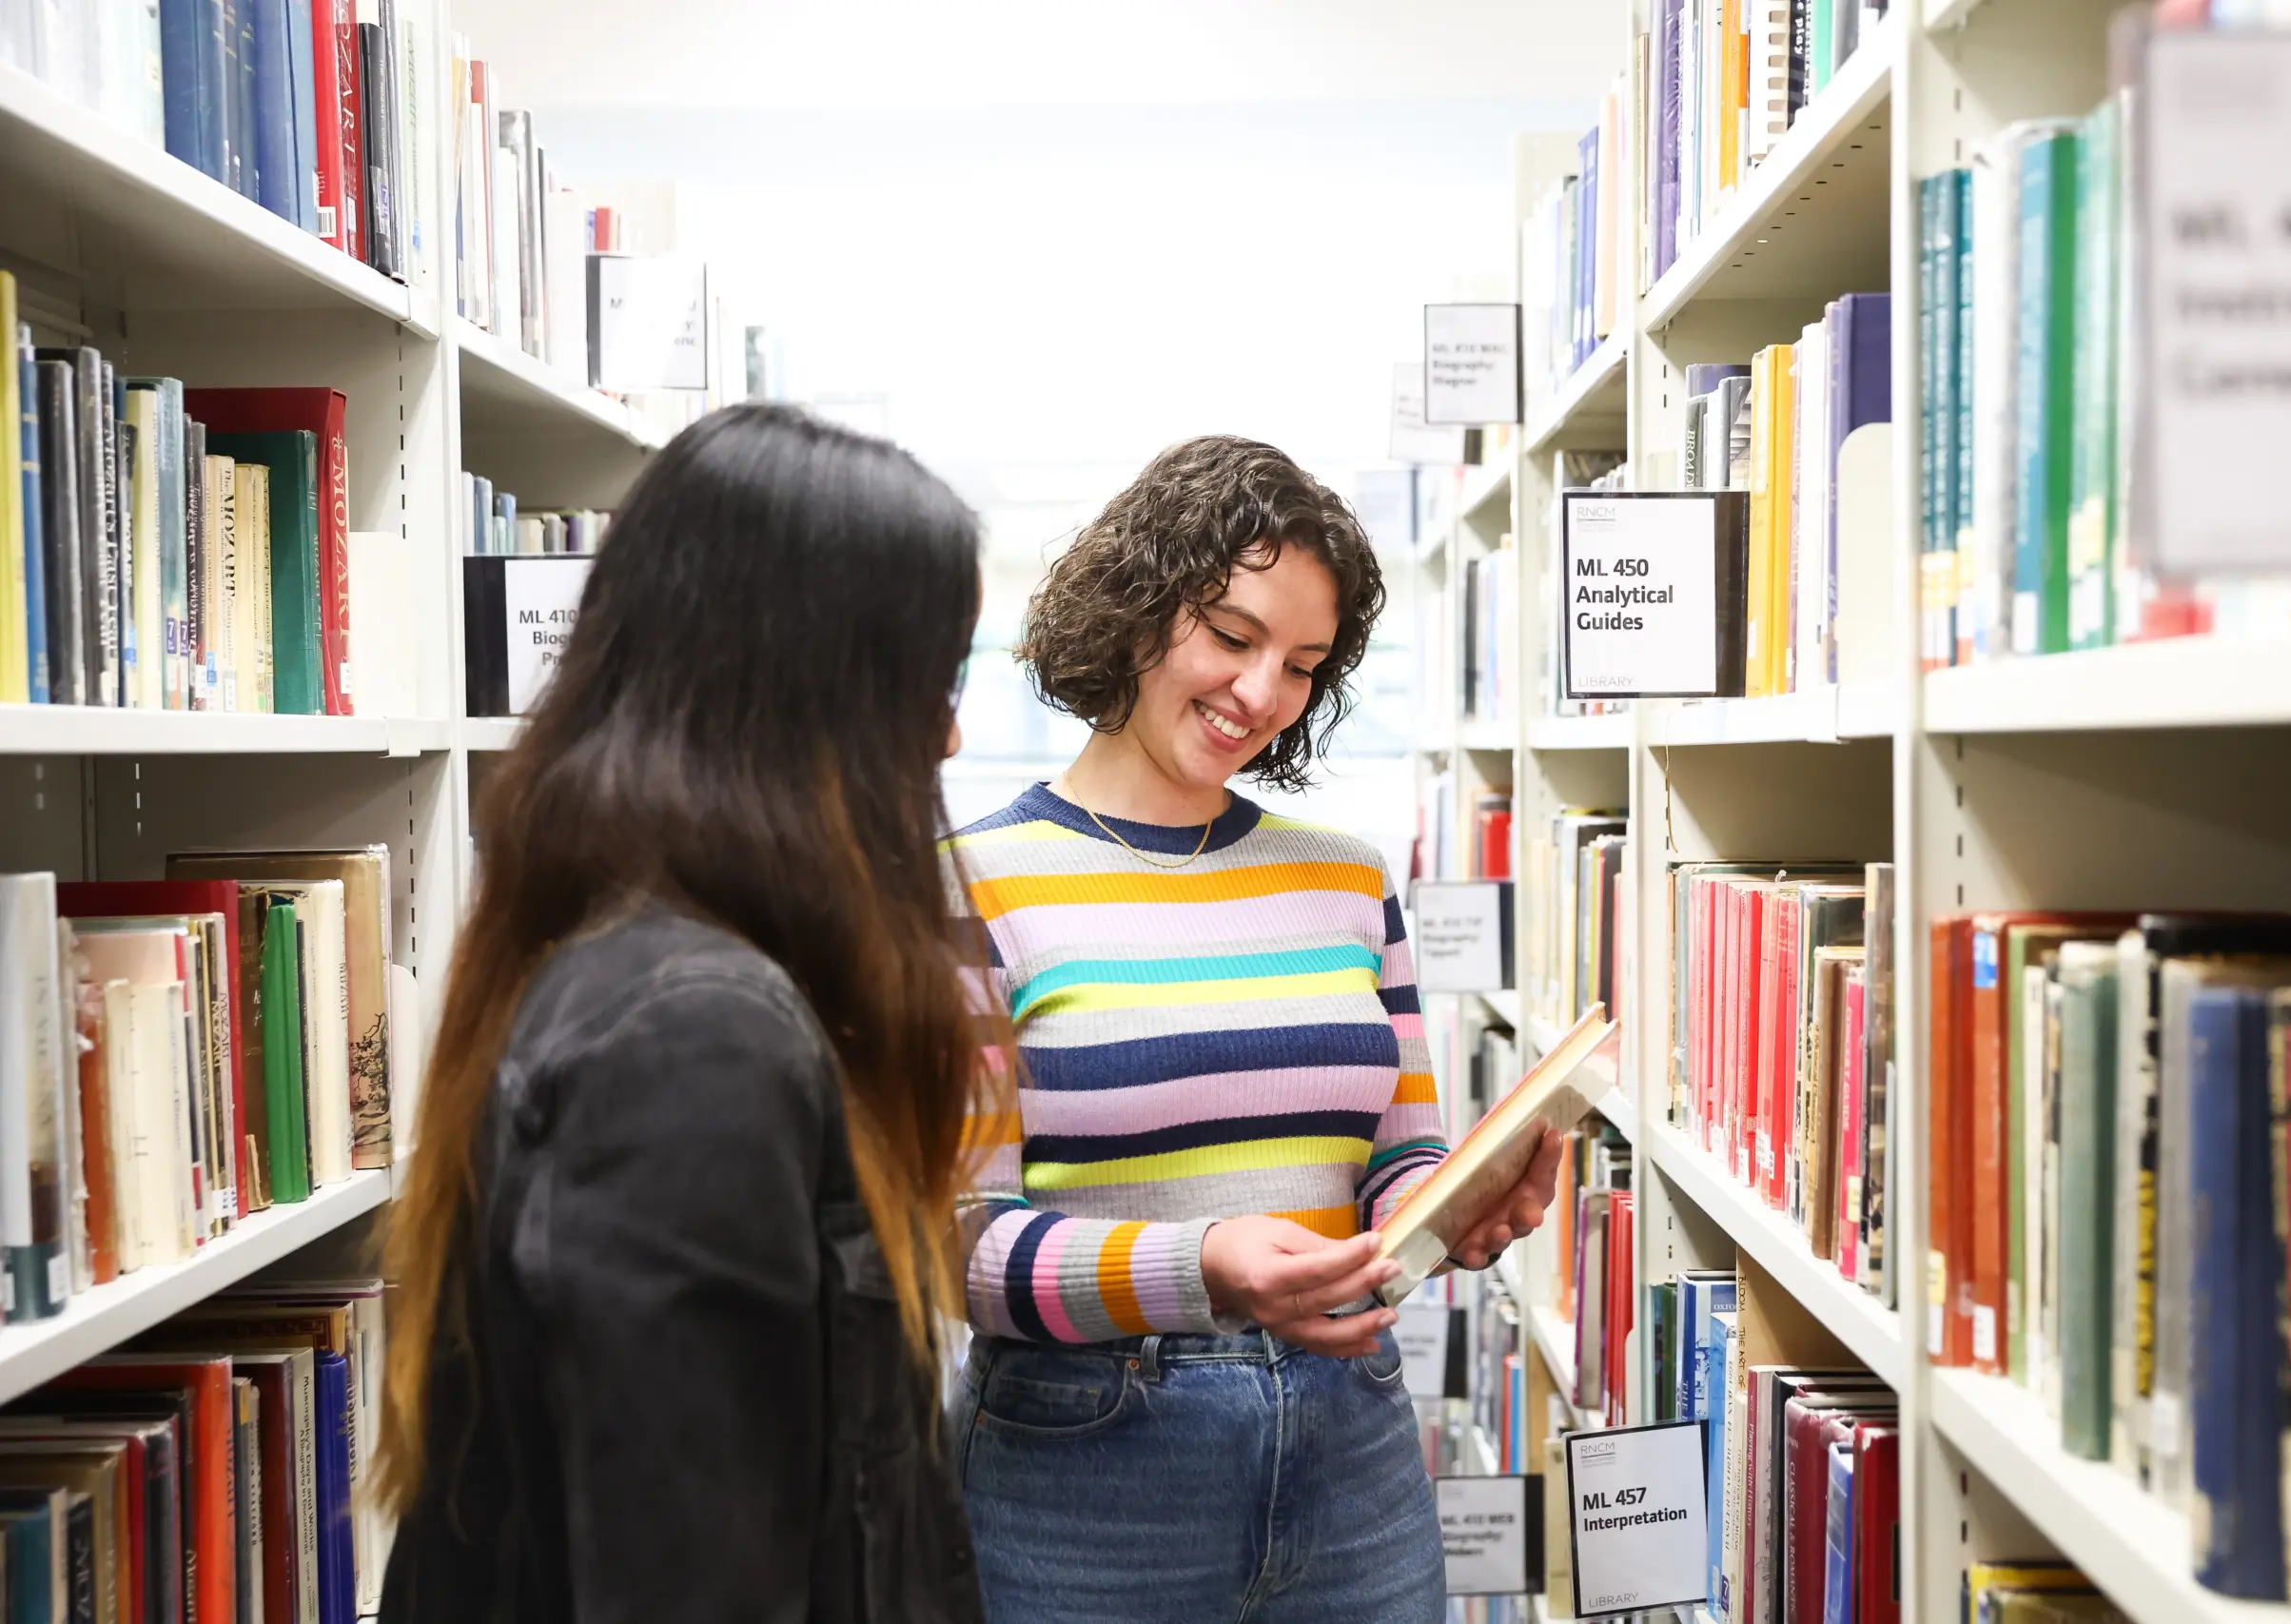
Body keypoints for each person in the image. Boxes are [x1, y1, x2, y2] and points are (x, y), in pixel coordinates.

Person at [375, 405, 997, 1624]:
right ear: (808, 691)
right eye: (932, 679)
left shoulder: (660, 973)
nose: (948, 730)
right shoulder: (692, 1040)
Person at [945, 434, 1563, 1623]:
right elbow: (955, 1245)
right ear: (1135, 608)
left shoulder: (1344, 877)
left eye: (1303, 664)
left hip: (1354, 1454)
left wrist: (1442, 1214)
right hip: (1084, 1467)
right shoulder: (964, 886)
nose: (1262, 695)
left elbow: (1397, 1152)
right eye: (1232, 638)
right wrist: (1204, 1268)